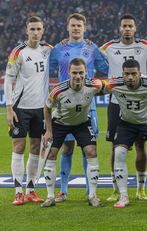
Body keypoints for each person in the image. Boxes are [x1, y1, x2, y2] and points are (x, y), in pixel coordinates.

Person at [49, 13, 109, 203]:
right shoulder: (58, 48)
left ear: (85, 29)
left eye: (79, 26)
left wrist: (103, 50)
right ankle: (63, 191)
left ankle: (89, 192)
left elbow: (108, 68)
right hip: (65, 106)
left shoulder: (92, 48)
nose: (76, 28)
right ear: (68, 27)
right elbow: (46, 70)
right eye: (73, 25)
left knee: (88, 148)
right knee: (66, 149)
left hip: (87, 105)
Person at [99, 14, 147, 201]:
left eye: (130, 26)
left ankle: (141, 189)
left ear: (135, 28)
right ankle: (116, 188)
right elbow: (89, 52)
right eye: (124, 26)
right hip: (117, 103)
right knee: (116, 147)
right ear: (120, 28)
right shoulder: (108, 47)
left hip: (141, 103)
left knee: (141, 146)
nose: (127, 29)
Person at [102, 59, 147, 208]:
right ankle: (123, 196)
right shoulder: (113, 84)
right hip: (127, 123)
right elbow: (95, 89)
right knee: (118, 153)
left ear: (140, 74)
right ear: (122, 75)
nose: (130, 77)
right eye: (127, 74)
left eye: (133, 74)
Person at [41, 58, 104, 207]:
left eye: (81, 72)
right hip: (60, 123)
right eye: (74, 72)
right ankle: (50, 196)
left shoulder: (94, 85)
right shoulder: (58, 89)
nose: (78, 76)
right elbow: (47, 108)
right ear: (68, 72)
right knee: (51, 154)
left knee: (91, 152)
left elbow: (110, 87)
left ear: (86, 72)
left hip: (82, 123)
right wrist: (49, 131)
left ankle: (93, 196)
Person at [4, 16, 52, 205]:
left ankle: (31, 190)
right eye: (32, 29)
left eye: (38, 29)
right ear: (26, 31)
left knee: (34, 148)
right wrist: (9, 108)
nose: (35, 32)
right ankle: (18, 191)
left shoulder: (48, 50)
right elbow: (8, 80)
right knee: (19, 147)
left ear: (43, 30)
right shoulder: (18, 52)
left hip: (40, 109)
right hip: (20, 108)